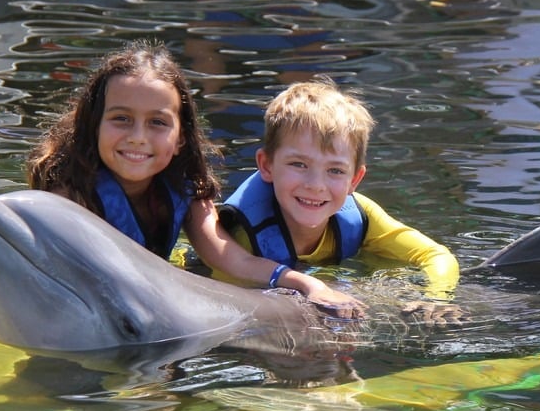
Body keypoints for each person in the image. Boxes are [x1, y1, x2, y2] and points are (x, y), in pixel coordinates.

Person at [25, 40, 366, 317]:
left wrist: (305, 284)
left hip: (147, 308)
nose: (138, 137)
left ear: (181, 138)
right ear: (93, 125)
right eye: (121, 119)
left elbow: (227, 255)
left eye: (157, 122)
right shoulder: (69, 195)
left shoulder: (184, 186)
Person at [219, 77, 464, 323]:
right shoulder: (244, 235)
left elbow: (436, 256)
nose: (315, 185)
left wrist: (436, 298)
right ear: (267, 165)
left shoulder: (360, 216)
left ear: (355, 180)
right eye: (299, 164)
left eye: (335, 170)